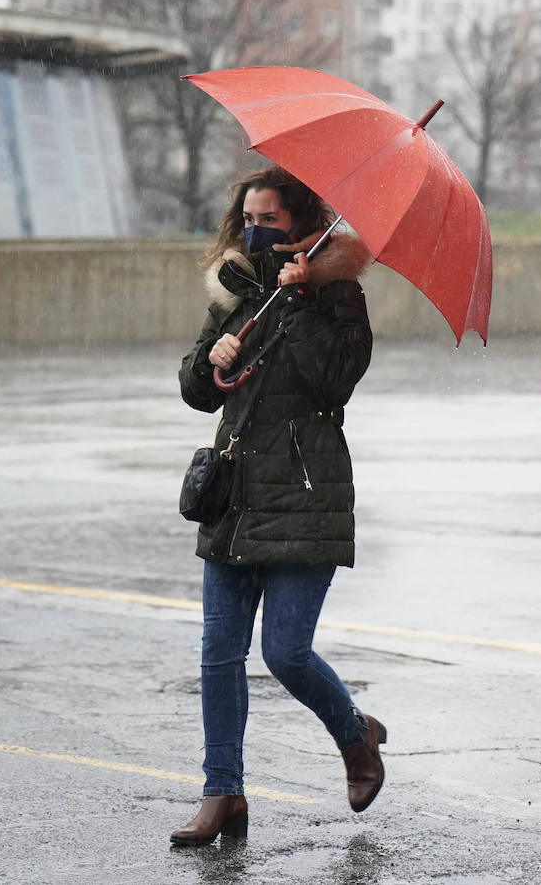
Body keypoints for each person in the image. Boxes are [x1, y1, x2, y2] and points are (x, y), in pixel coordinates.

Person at [172, 166, 383, 845]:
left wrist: (296, 302)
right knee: (218, 654)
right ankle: (222, 793)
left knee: (287, 653)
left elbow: (334, 380)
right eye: (250, 219)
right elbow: (198, 389)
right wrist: (214, 361)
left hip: (305, 494)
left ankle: (354, 736)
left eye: (272, 219)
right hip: (234, 497)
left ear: (301, 225)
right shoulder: (234, 291)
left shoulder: (338, 295)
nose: (259, 230)